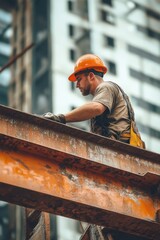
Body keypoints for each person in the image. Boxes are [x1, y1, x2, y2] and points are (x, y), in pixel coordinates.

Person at [43, 54, 145, 148]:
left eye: (79, 79)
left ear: (91, 76)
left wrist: (61, 118)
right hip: (116, 147)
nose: (77, 85)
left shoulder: (106, 87)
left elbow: (96, 108)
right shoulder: (105, 93)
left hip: (118, 147)